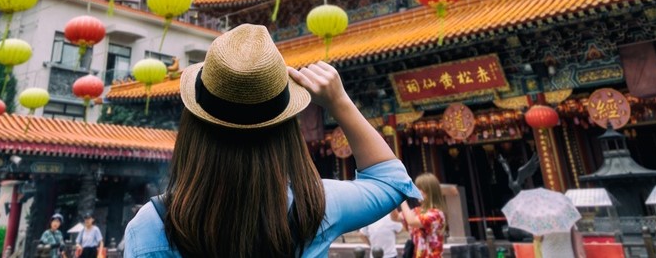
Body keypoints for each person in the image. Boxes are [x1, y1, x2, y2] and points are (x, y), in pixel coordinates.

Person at [122, 24, 420, 257]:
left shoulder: (152, 224)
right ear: (287, 131)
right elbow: (391, 182)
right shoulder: (315, 209)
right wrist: (339, 102)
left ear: (193, 128)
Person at [401, 173, 446, 258]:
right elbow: (395, 217)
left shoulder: (436, 214)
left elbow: (412, 222)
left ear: (429, 191)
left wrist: (401, 199)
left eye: (419, 188)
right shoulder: (417, 211)